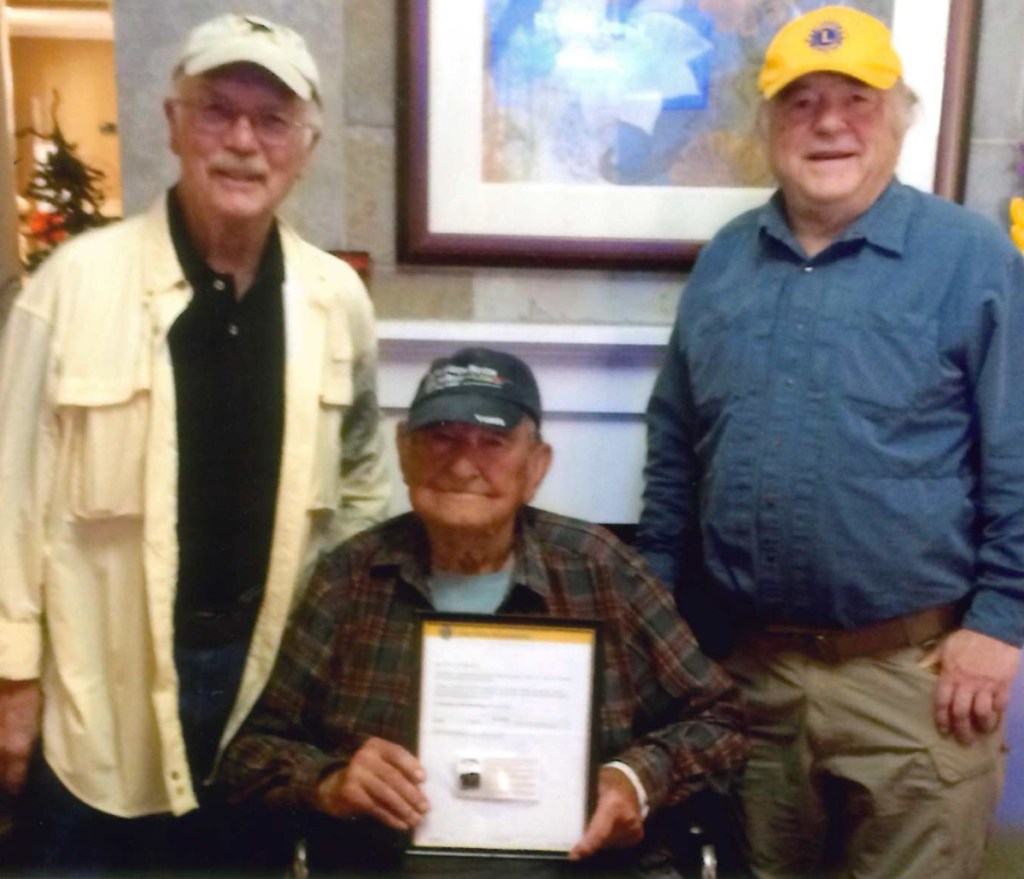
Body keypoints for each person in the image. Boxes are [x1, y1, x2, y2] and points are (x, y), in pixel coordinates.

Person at [638, 6, 1024, 878]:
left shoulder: (974, 259)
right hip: (750, 678)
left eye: (856, 98)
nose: (829, 122)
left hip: (915, 684)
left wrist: (1003, 620)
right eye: (801, 101)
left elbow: (1020, 447)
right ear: (768, 124)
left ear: (899, 119)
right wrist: (666, 629)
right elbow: (674, 451)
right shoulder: (725, 262)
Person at [0, 12, 389, 872]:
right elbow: (7, 497)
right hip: (98, 694)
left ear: (307, 145)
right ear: (173, 124)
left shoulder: (336, 301)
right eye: (217, 109)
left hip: (266, 681)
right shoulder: (68, 288)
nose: (244, 141)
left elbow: (366, 482)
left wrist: (345, 651)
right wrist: (11, 682)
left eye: (273, 119)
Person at [219, 347, 746, 877]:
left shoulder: (604, 571)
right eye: (441, 438)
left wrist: (636, 779)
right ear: (403, 451)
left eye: (493, 443)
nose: (464, 464)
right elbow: (248, 757)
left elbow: (721, 719)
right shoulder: (348, 577)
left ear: (537, 466)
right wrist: (329, 781)